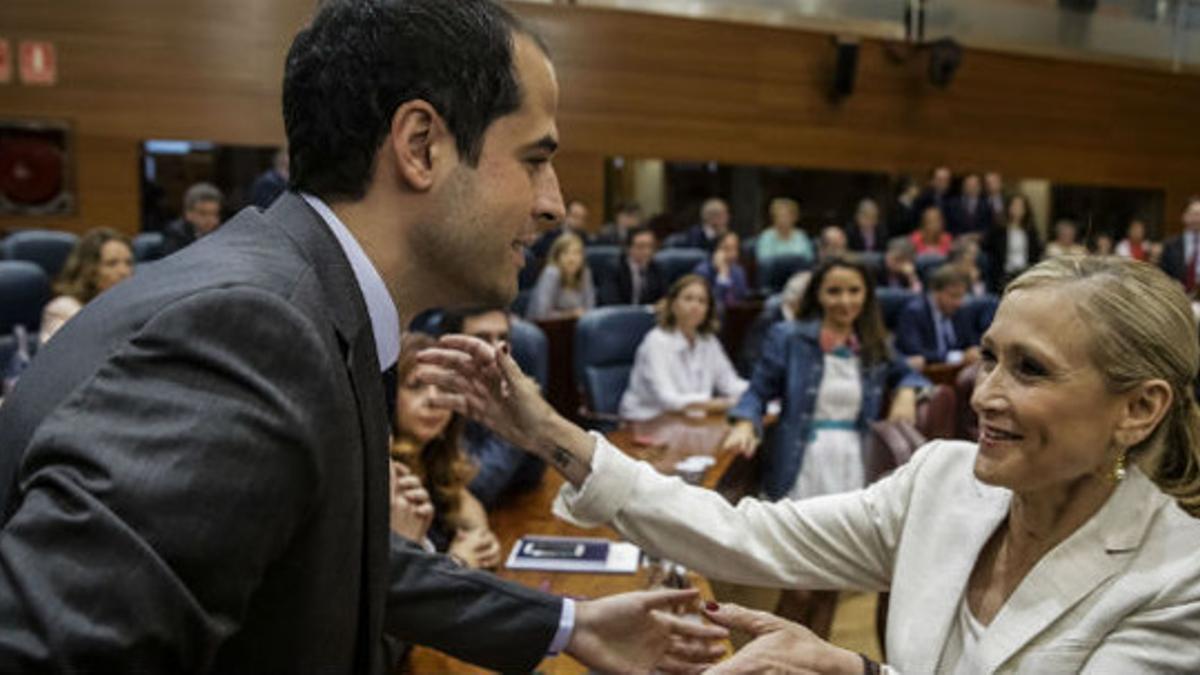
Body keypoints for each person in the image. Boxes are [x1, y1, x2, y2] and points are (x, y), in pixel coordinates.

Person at [0, 1, 724, 672]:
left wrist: (571, 623)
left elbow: (332, 557)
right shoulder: (251, 332)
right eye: (535, 159)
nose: (554, 205)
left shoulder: (316, 303)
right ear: (420, 145)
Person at [424, 256, 1200, 674]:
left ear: (1139, 407)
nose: (985, 395)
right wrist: (548, 430)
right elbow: (745, 535)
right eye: (989, 357)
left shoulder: (1178, 581)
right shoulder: (942, 479)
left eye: (1030, 369)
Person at [717, 257, 926, 638]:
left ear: (866, 295)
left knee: (832, 580)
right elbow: (758, 390)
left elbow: (908, 371)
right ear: (818, 294)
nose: (844, 301)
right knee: (799, 584)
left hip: (853, 467)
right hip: (803, 464)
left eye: (853, 291)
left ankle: (815, 661)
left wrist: (908, 391)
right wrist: (746, 421)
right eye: (834, 291)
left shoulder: (875, 341)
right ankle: (774, 658)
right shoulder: (789, 336)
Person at [389, 333, 501, 568]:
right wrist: (457, 562)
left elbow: (469, 510)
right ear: (387, 397)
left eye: (442, 387)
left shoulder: (432, 459)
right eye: (416, 386)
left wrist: (481, 543)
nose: (434, 399)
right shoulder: (385, 474)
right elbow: (397, 579)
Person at [439, 306, 546, 508]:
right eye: (482, 339)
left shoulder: (513, 387)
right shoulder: (435, 392)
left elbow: (530, 474)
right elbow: (477, 486)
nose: (495, 351)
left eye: (503, 338)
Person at [619, 274, 748, 421]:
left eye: (702, 301)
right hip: (647, 422)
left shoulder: (708, 341)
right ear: (673, 305)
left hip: (688, 421)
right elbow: (668, 399)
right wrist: (716, 404)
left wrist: (760, 391)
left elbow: (730, 384)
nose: (695, 306)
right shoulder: (656, 342)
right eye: (688, 299)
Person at [39, 228, 134, 345]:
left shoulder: (132, 309)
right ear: (88, 270)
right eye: (112, 263)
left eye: (128, 263)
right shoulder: (63, 309)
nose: (124, 271)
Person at [894, 265, 982, 368]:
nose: (958, 302)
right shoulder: (913, 312)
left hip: (956, 371)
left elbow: (970, 344)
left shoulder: (962, 311)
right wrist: (957, 357)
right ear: (935, 292)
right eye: (953, 296)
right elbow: (915, 353)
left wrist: (974, 352)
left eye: (961, 296)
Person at [526, 232, 595, 320]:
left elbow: (590, 310)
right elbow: (541, 314)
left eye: (577, 253)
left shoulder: (585, 273)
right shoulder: (551, 273)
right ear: (557, 256)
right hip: (546, 328)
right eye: (566, 253)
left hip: (576, 327)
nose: (572, 259)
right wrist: (571, 314)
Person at [982, 194, 1042, 294]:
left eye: (1021, 206)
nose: (1017, 209)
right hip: (1004, 274)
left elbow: (1036, 254)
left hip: (1025, 274)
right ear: (1008, 207)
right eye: (1014, 205)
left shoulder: (1031, 231)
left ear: (1026, 210)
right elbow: (988, 248)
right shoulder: (999, 229)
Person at [598, 225, 666, 306]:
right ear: (628, 248)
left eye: (651, 246)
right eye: (641, 247)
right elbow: (610, 301)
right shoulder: (613, 268)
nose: (647, 252)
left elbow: (664, 297)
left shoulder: (657, 268)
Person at [160, 182, 223, 256]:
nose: (210, 219)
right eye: (203, 214)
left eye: (214, 214)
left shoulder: (220, 232)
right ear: (188, 214)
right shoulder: (176, 234)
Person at [693, 231, 749, 310]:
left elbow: (740, 299)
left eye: (735, 248)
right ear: (715, 251)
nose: (733, 254)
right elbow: (713, 302)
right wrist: (722, 276)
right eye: (726, 248)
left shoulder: (738, 271)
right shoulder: (702, 271)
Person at [1160, 196, 1200, 293]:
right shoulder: (1170, 245)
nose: (1197, 219)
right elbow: (1162, 276)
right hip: (1178, 300)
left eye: (1199, 214)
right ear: (1184, 216)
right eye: (1193, 214)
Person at [755, 198, 813, 262]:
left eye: (786, 216)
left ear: (794, 218)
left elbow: (809, 259)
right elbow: (763, 261)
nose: (783, 220)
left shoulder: (801, 236)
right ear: (773, 218)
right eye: (780, 216)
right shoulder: (766, 236)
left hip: (798, 271)